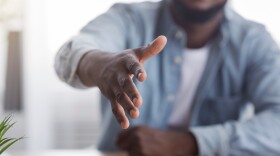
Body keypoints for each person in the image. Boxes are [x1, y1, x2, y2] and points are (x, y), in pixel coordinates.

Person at [55, 0, 280, 155]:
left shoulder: (254, 42)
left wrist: (190, 143)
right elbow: (70, 54)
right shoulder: (130, 19)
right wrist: (101, 65)